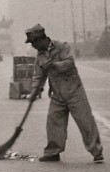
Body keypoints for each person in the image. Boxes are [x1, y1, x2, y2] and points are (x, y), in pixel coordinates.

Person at [23, 23, 103, 164]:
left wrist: (54, 65)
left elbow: (70, 63)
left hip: (74, 90)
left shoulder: (61, 46)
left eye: (33, 43)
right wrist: (35, 91)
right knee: (53, 122)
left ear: (39, 39)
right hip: (57, 93)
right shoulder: (40, 57)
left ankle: (96, 152)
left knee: (85, 122)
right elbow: (39, 76)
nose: (32, 46)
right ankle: (53, 152)